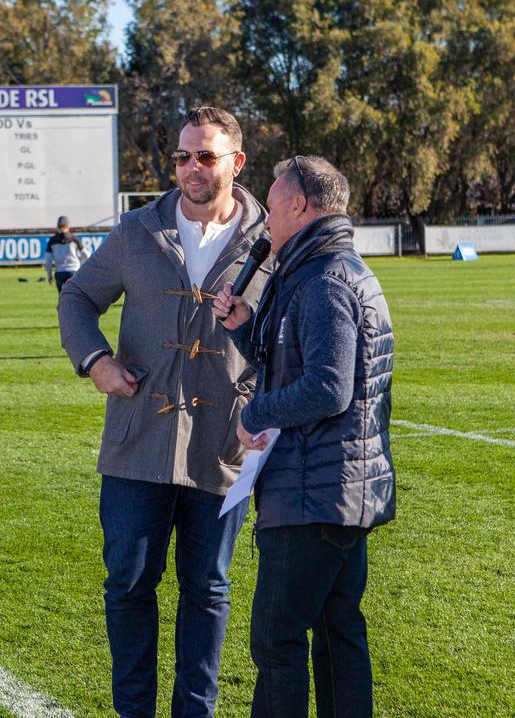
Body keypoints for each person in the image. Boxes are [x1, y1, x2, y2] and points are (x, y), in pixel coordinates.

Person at [57, 106, 270, 718]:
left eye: (205, 155)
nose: (191, 168)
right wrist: (95, 361)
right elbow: (78, 296)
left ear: (236, 162)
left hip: (223, 447)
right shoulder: (137, 230)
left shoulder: (269, 241)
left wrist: (263, 403)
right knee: (128, 585)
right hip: (137, 442)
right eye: (182, 156)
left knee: (207, 591)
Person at [212, 156, 396, 718]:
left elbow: (327, 388)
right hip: (334, 489)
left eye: (272, 201)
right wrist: (247, 328)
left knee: (277, 639)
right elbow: (296, 364)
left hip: (314, 492)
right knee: (337, 636)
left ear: (299, 205)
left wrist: (255, 415)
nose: (265, 215)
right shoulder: (319, 270)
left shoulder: (325, 279)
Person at [44, 215, 85, 292]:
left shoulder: (52, 240)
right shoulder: (74, 239)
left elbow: (48, 260)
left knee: (63, 299)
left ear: (57, 226)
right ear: (68, 226)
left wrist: (49, 275)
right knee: (75, 298)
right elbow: (86, 254)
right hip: (74, 271)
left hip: (60, 272)